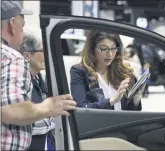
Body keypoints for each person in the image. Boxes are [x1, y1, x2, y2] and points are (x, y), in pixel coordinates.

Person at [1, 1, 76, 150]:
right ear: (12, 25)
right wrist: (47, 107)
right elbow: (11, 109)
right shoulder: (11, 58)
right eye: (22, 26)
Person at [70, 31, 145, 111]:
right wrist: (112, 100)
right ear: (92, 49)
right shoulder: (80, 72)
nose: (110, 54)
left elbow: (133, 112)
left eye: (113, 48)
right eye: (104, 49)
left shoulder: (124, 72)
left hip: (124, 122)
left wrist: (137, 97)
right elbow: (81, 108)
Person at [20, 31, 55, 150]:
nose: (48, 55)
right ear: (27, 56)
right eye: (43, 51)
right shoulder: (20, 82)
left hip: (46, 139)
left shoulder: (42, 79)